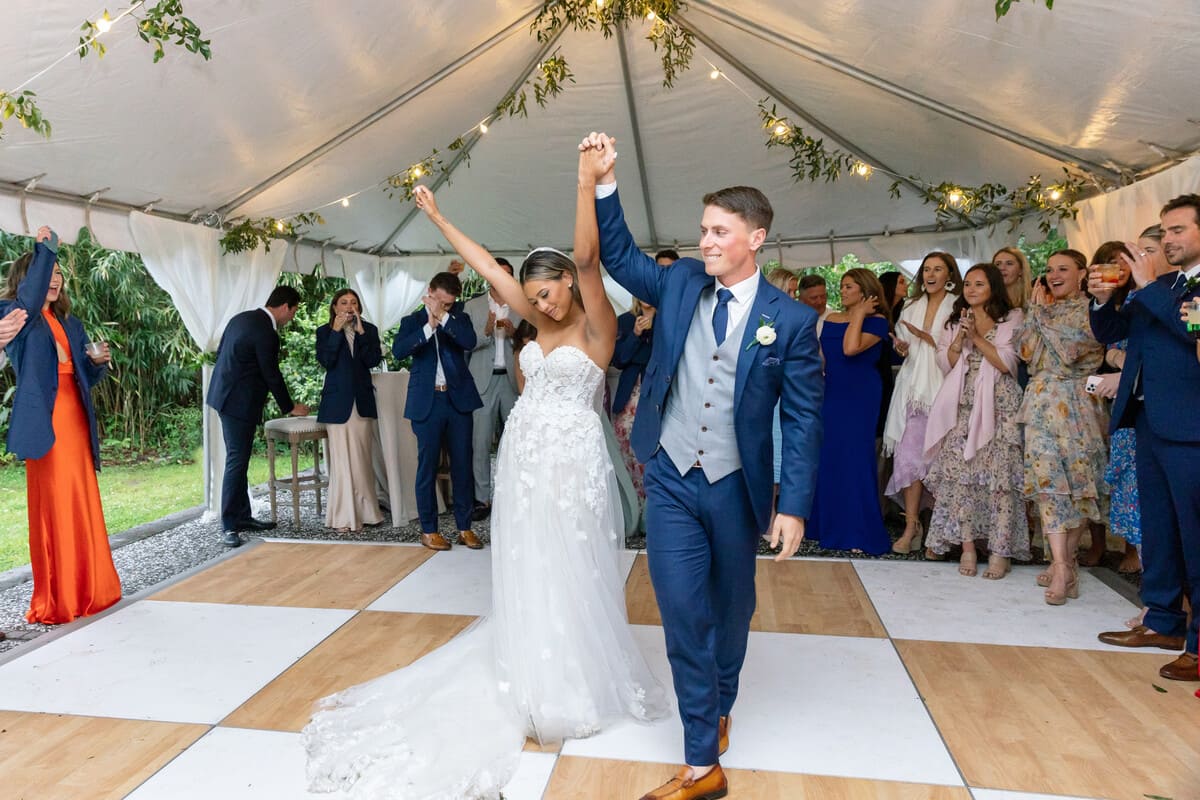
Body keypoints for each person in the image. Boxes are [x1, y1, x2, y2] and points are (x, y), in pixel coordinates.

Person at [304, 146, 669, 798]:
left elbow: (589, 258)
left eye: (549, 290)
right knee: (532, 561)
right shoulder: (530, 314)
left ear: (566, 280)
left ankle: (575, 672)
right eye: (532, 296)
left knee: (577, 559)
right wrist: (440, 220)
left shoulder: (599, 326)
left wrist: (586, 181)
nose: (542, 303)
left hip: (574, 461)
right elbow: (485, 272)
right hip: (527, 457)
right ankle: (532, 671)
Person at [585, 131, 822, 799]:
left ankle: (719, 704)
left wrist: (794, 505)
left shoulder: (793, 322)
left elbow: (804, 420)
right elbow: (620, 255)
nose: (707, 242)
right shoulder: (683, 280)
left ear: (757, 237)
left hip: (736, 488)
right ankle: (701, 763)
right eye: (703, 231)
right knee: (683, 613)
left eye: (720, 231)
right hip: (670, 477)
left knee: (732, 608)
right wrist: (606, 183)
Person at [1090, 193, 1200, 682]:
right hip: (1151, 422)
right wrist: (1102, 298)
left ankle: (1197, 646)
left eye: (1177, 230)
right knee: (1160, 532)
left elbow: (1190, 329)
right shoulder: (1166, 285)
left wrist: (1150, 286)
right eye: (1165, 230)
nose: (1167, 238)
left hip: (1191, 428)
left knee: (1195, 539)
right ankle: (1162, 621)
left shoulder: (1179, 288)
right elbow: (1115, 329)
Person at [0, 226, 121, 624]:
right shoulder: (16, 316)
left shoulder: (71, 323)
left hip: (76, 419)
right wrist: (45, 248)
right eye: (47, 273)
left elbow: (81, 376)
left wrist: (95, 364)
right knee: (55, 505)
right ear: (28, 279)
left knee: (82, 499)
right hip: (45, 423)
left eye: (58, 275)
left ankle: (93, 588)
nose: (55, 280)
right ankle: (60, 596)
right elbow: (30, 302)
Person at [923, 264, 1029, 577]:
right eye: (967, 284)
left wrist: (978, 338)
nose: (970, 289)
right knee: (962, 479)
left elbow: (1008, 362)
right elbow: (946, 363)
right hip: (963, 406)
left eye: (978, 284)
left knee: (1000, 481)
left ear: (993, 288)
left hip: (1000, 407)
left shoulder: (1012, 318)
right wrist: (959, 339)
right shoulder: (955, 320)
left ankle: (1000, 551)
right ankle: (967, 547)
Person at [1019, 249, 1108, 604]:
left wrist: (1039, 315)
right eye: (1050, 269)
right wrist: (1037, 315)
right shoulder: (1040, 309)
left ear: (1082, 273)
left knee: (1080, 487)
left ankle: (1067, 560)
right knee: (1048, 485)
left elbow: (1071, 350)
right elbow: (1027, 352)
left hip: (1079, 403)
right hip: (1040, 402)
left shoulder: (1093, 309)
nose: (1054, 275)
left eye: (1063, 269)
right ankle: (1060, 565)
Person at [207, 286, 310, 547]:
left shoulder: (242, 318)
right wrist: (289, 407)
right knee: (237, 460)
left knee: (238, 459)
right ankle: (229, 524)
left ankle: (242, 516)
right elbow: (270, 373)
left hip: (225, 395)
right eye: (294, 312)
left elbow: (222, 355)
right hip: (237, 402)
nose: (292, 318)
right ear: (286, 306)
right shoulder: (266, 331)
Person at [392, 271, 482, 551]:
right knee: (427, 467)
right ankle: (429, 530)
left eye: (449, 304)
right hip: (427, 402)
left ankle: (464, 527)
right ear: (430, 292)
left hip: (458, 403)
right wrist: (428, 326)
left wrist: (443, 317)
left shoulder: (459, 319)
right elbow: (398, 351)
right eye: (440, 302)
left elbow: (469, 342)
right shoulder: (412, 321)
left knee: (462, 466)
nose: (445, 307)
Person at [808, 268, 891, 555]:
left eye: (849, 287)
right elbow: (820, 357)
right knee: (830, 457)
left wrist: (858, 315)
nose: (842, 291)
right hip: (831, 392)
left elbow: (850, 348)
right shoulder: (829, 318)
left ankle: (858, 530)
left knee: (856, 459)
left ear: (865, 291)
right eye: (842, 286)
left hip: (860, 396)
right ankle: (825, 525)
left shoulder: (877, 322)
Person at [883, 252, 961, 553]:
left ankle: (938, 530)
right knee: (909, 457)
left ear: (949, 274)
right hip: (912, 388)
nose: (930, 274)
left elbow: (958, 350)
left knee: (940, 461)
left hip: (944, 386)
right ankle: (911, 525)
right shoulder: (911, 304)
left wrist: (928, 339)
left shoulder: (958, 305)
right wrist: (902, 347)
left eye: (937, 269)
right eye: (926, 269)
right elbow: (906, 347)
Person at [315, 289, 383, 533]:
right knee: (342, 460)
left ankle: (367, 513)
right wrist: (336, 330)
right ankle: (343, 516)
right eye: (343, 302)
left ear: (359, 307)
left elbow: (373, 360)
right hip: (337, 404)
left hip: (362, 402)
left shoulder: (370, 330)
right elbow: (326, 361)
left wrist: (362, 333)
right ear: (335, 307)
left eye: (353, 302)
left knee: (362, 459)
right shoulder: (324, 332)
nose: (349, 306)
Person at [465, 257, 522, 521]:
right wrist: (485, 331)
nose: (503, 277)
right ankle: (482, 499)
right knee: (480, 442)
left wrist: (514, 334)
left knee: (516, 442)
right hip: (481, 382)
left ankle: (515, 495)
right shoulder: (473, 306)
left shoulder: (523, 304)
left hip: (513, 380)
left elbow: (532, 342)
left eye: (508, 273)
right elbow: (463, 345)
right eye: (498, 273)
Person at [611, 296, 656, 502]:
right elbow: (619, 359)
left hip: (655, 395)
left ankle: (651, 507)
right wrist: (636, 334)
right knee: (624, 448)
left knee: (652, 452)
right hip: (629, 394)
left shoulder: (668, 320)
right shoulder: (625, 321)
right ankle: (631, 504)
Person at [993, 246, 1033, 310]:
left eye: (1009, 263)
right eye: (998, 264)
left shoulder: (1033, 298)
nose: (1002, 268)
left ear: (1021, 270)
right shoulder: (986, 301)